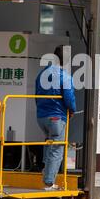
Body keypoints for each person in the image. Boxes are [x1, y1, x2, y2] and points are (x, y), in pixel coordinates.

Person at [35, 45, 76, 191]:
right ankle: (49, 182)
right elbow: (69, 98)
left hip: (41, 117)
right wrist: (72, 110)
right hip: (56, 117)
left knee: (48, 144)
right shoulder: (64, 76)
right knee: (56, 149)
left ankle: (46, 172)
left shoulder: (42, 74)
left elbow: (36, 95)